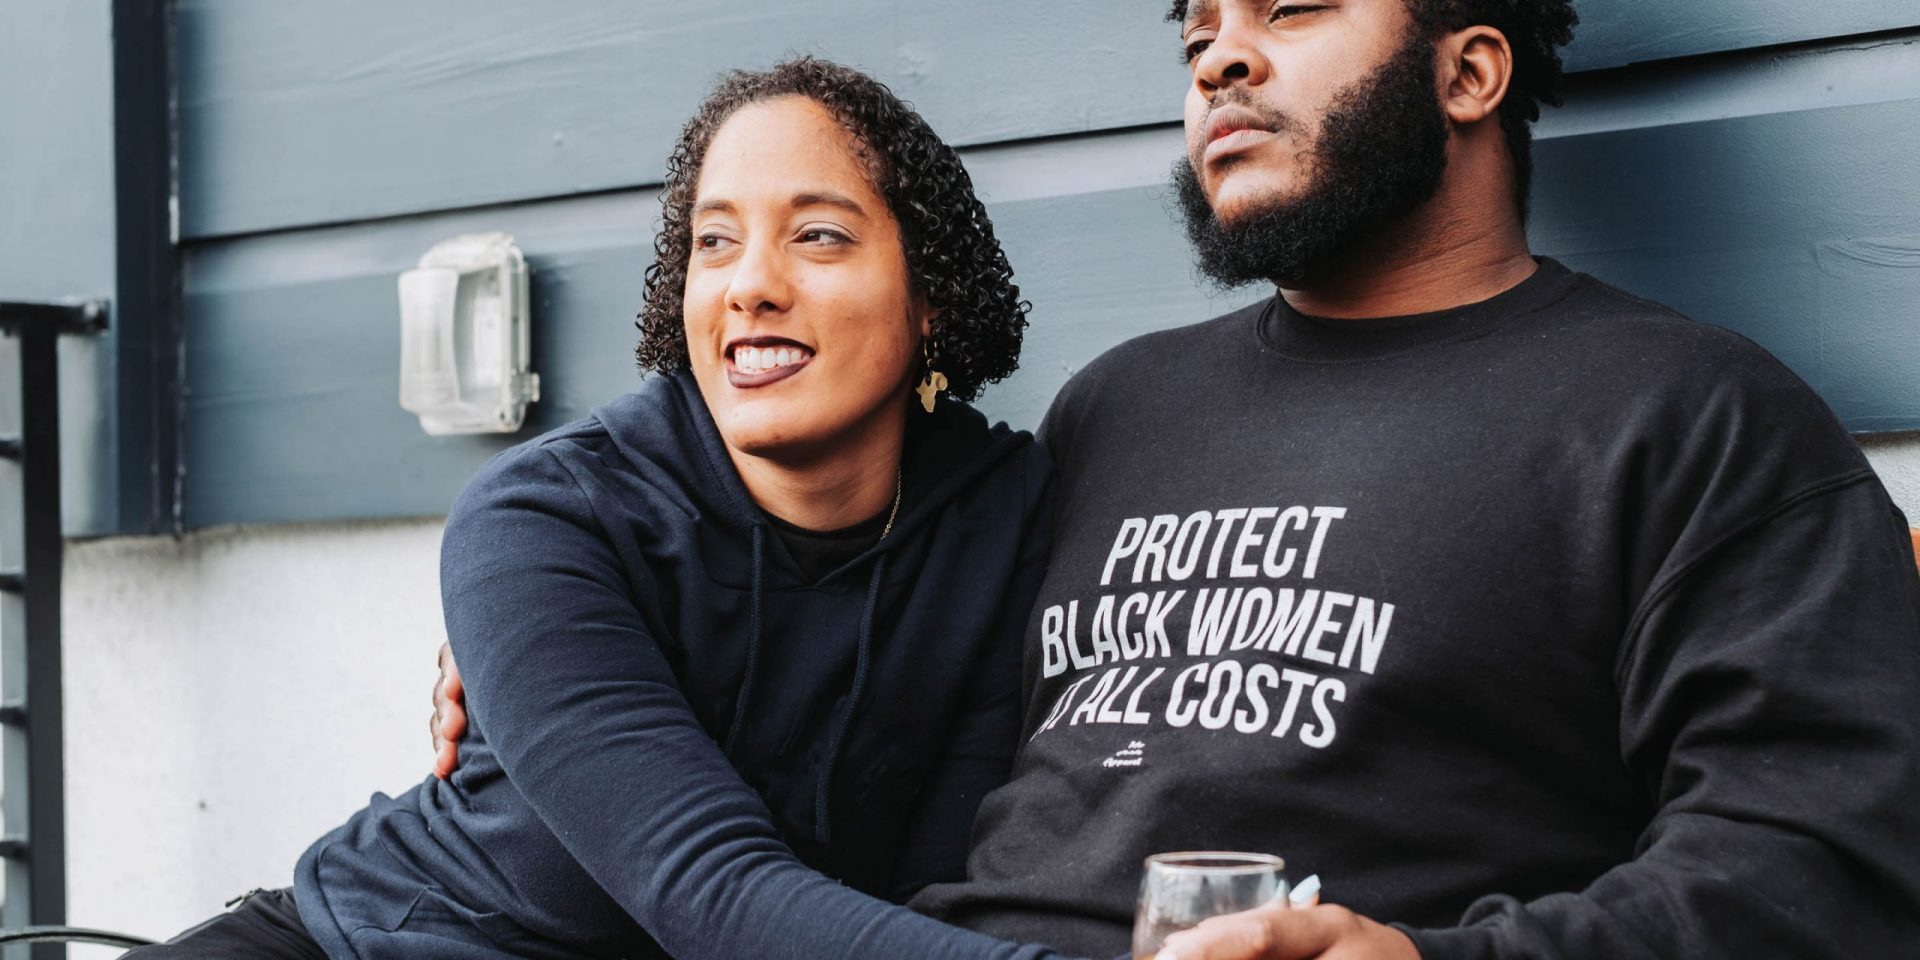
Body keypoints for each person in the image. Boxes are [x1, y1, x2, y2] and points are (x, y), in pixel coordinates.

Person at [439, 2, 1920, 958]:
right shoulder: (1115, 411)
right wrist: (522, 646)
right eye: (1198, 30)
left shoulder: (1684, 416)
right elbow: (875, 653)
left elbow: (1826, 856)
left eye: (1291, 9)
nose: (1219, 58)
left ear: (1471, 69)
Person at [127, 58, 1094, 960]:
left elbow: (930, 896)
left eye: (818, 235)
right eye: (715, 242)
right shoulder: (543, 517)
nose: (751, 286)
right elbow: (706, 887)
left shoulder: (997, 511)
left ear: (930, 296)